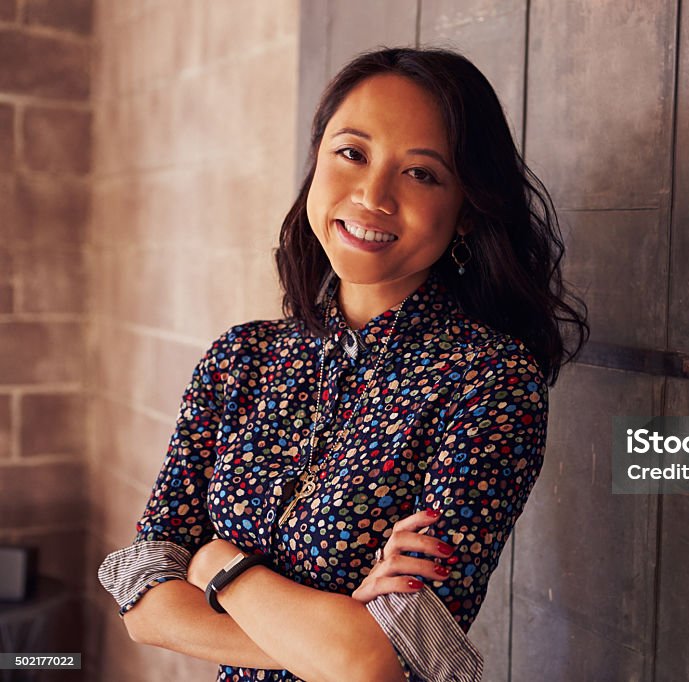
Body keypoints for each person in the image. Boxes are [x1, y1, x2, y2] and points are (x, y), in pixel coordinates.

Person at [98, 47, 588, 682]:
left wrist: (218, 565)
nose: (373, 194)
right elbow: (143, 599)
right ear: (317, 162)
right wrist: (330, 641)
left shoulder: (490, 382)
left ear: (466, 209)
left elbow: (391, 660)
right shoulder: (240, 358)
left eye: (421, 174)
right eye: (352, 153)